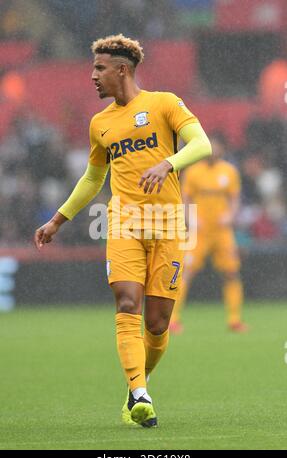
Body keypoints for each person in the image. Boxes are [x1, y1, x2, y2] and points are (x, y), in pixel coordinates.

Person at [34, 34, 211, 427]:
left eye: (99, 68)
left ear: (122, 69)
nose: (92, 76)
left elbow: (202, 144)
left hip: (167, 226)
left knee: (158, 323)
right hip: (124, 223)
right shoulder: (100, 123)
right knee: (128, 303)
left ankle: (138, 383)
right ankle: (139, 393)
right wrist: (58, 219)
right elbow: (93, 178)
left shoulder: (164, 103)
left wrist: (168, 163)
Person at [170, 132, 248, 334]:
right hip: (199, 230)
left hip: (222, 231)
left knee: (231, 272)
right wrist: (190, 218)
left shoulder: (229, 171)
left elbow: (235, 198)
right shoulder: (194, 171)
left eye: (216, 147)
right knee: (186, 272)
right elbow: (184, 197)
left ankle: (234, 320)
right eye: (210, 147)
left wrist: (230, 215)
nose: (213, 151)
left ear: (222, 149)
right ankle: (174, 319)